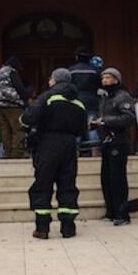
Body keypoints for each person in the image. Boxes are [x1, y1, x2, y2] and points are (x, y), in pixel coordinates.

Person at [22, 68, 88, 239]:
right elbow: (83, 128)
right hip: (70, 145)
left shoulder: (48, 97)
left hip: (47, 144)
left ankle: (42, 228)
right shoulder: (78, 101)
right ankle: (68, 227)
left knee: (43, 184)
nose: (49, 81)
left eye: (50, 78)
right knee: (68, 184)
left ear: (55, 80)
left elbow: (29, 118)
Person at [93, 67, 136, 226]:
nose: (104, 80)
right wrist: (96, 123)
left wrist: (106, 121)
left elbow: (128, 118)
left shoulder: (122, 96)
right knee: (106, 178)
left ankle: (122, 214)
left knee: (118, 179)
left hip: (118, 141)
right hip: (106, 142)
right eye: (103, 78)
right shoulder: (104, 97)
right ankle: (111, 211)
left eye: (108, 77)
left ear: (116, 80)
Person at [0, 56, 29, 158]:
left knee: (6, 131)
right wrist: (27, 96)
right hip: (14, 105)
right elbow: (19, 88)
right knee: (18, 129)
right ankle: (17, 153)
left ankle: (7, 152)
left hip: (1, 105)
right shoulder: (11, 72)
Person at [69, 47, 102, 150]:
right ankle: (95, 151)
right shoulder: (95, 71)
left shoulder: (71, 70)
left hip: (76, 100)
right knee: (92, 125)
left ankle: (75, 151)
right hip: (92, 100)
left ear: (77, 57)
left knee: (75, 125)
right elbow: (100, 85)